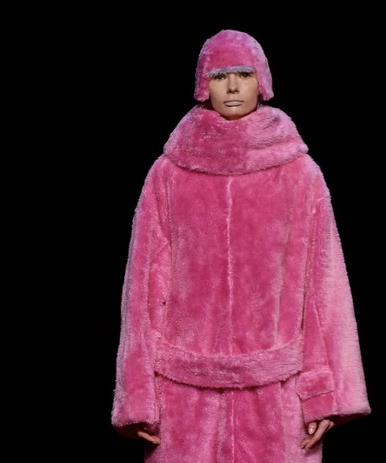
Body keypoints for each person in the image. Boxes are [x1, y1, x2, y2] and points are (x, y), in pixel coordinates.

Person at [111, 29, 370, 462]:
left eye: (244, 74)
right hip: (183, 397)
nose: (232, 86)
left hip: (279, 394)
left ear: (262, 82)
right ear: (203, 86)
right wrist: (138, 396)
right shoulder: (168, 174)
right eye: (219, 76)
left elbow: (324, 290)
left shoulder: (300, 174)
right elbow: (141, 291)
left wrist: (326, 394)